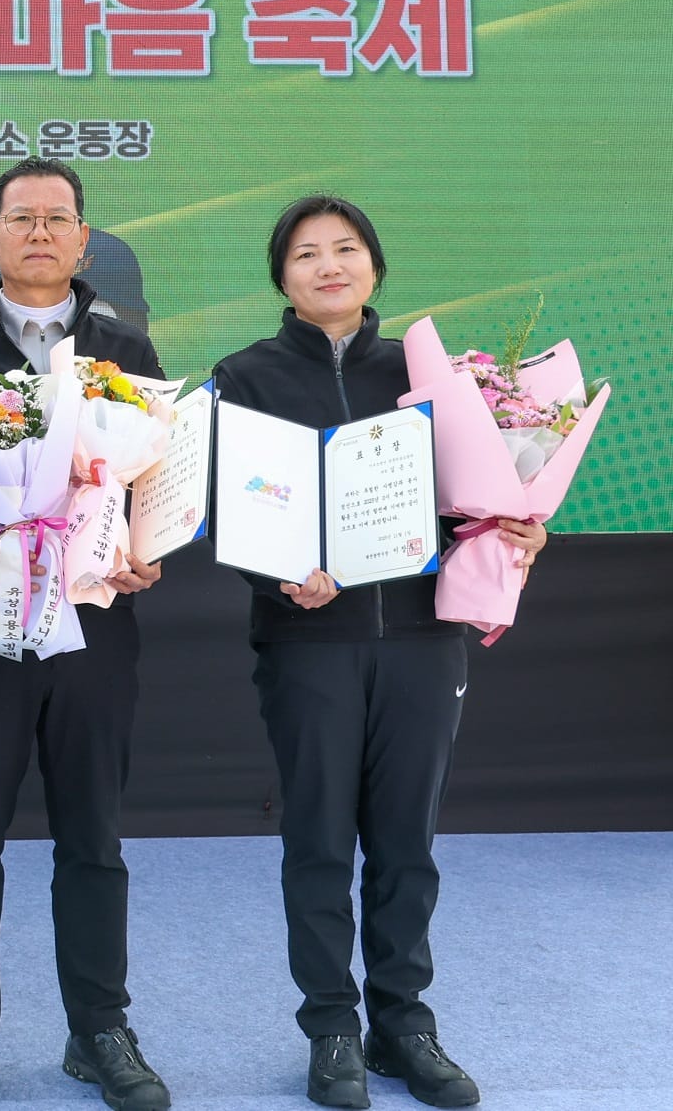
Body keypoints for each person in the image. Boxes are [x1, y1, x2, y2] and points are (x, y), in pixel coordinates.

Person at [212, 196, 544, 1110]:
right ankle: (331, 1029)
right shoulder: (245, 374)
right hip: (309, 641)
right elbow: (232, 519)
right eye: (307, 253)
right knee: (318, 838)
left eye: (346, 249)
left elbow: (470, 499)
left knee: (407, 842)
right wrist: (284, 575)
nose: (329, 265)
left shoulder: (428, 376)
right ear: (281, 275)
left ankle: (405, 1022)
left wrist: (514, 526)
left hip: (422, 642)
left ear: (375, 265)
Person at [0, 158, 173, 1111]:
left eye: (59, 218)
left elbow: (155, 480)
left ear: (84, 239)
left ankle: (100, 1028)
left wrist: (149, 548)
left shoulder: (125, 347)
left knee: (92, 833)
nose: (41, 233)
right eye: (22, 218)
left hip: (99, 621)